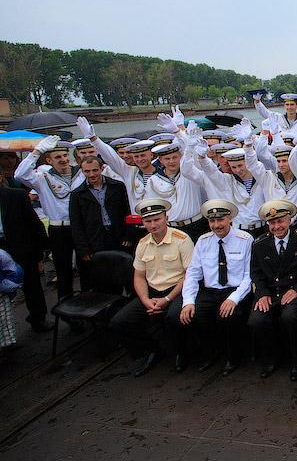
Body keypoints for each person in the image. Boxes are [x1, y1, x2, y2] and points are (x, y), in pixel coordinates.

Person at [109, 199, 193, 376]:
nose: (153, 225)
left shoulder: (182, 239)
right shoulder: (143, 243)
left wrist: (167, 299)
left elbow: (189, 275)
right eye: (148, 221)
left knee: (173, 317)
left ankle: (182, 352)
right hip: (152, 292)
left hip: (178, 290)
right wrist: (145, 300)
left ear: (166, 218)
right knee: (119, 322)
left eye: (157, 219)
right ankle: (152, 349)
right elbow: (139, 276)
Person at [180, 199, 253, 376]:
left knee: (229, 316)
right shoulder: (203, 241)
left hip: (235, 290)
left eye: (220, 220)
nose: (216, 225)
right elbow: (193, 274)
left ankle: (233, 356)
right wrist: (188, 301)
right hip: (210, 291)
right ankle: (210, 353)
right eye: (212, 221)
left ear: (230, 219)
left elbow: (248, 276)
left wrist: (233, 299)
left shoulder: (245, 239)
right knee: (194, 315)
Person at [248, 200, 297, 381]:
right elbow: (255, 273)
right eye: (272, 222)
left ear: (289, 220)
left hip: (295, 291)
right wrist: (261, 294)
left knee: (290, 317)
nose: (277, 226)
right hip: (270, 292)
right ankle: (271, 359)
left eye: (280, 221)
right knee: (257, 320)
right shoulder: (260, 243)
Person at [14, 135, 84, 304]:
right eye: (57, 157)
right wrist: (37, 151)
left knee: (86, 268)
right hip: (59, 229)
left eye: (65, 155)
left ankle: (90, 304)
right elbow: (20, 174)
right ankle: (66, 307)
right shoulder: (42, 178)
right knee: (63, 271)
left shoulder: (81, 173)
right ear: (49, 160)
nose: (63, 159)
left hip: (80, 227)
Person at [69, 156, 130, 291]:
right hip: (95, 240)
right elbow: (76, 224)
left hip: (117, 237)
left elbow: (127, 211)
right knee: (102, 279)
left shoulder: (118, 186)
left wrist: (128, 235)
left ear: (101, 168)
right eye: (87, 171)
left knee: (124, 274)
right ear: (82, 171)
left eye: (95, 170)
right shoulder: (77, 194)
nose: (92, 174)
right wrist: (83, 249)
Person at [0, 180, 50, 332]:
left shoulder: (16, 196)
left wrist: (40, 254)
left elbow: (34, 223)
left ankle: (38, 318)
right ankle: (5, 332)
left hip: (21, 247)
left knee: (31, 284)